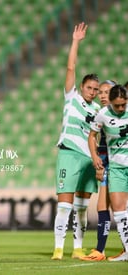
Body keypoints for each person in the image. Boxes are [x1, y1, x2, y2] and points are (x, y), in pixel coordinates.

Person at [51, 22, 101, 260]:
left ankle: (78, 249)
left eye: (95, 89)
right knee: (64, 205)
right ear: (81, 87)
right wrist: (76, 41)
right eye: (89, 87)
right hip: (69, 154)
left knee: (82, 208)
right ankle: (58, 249)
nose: (92, 91)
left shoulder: (99, 109)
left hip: (88, 159)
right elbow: (70, 67)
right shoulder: (71, 98)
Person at [88, 84, 128, 261]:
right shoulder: (102, 115)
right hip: (117, 168)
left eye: (124, 105)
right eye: (117, 105)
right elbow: (91, 136)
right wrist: (95, 156)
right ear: (111, 102)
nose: (121, 108)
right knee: (119, 212)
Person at [80, 80, 115, 261]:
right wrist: (97, 160)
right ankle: (100, 250)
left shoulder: (119, 114)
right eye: (100, 92)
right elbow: (93, 138)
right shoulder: (101, 114)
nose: (102, 95)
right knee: (103, 205)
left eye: (106, 92)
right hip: (107, 162)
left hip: (119, 164)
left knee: (118, 207)